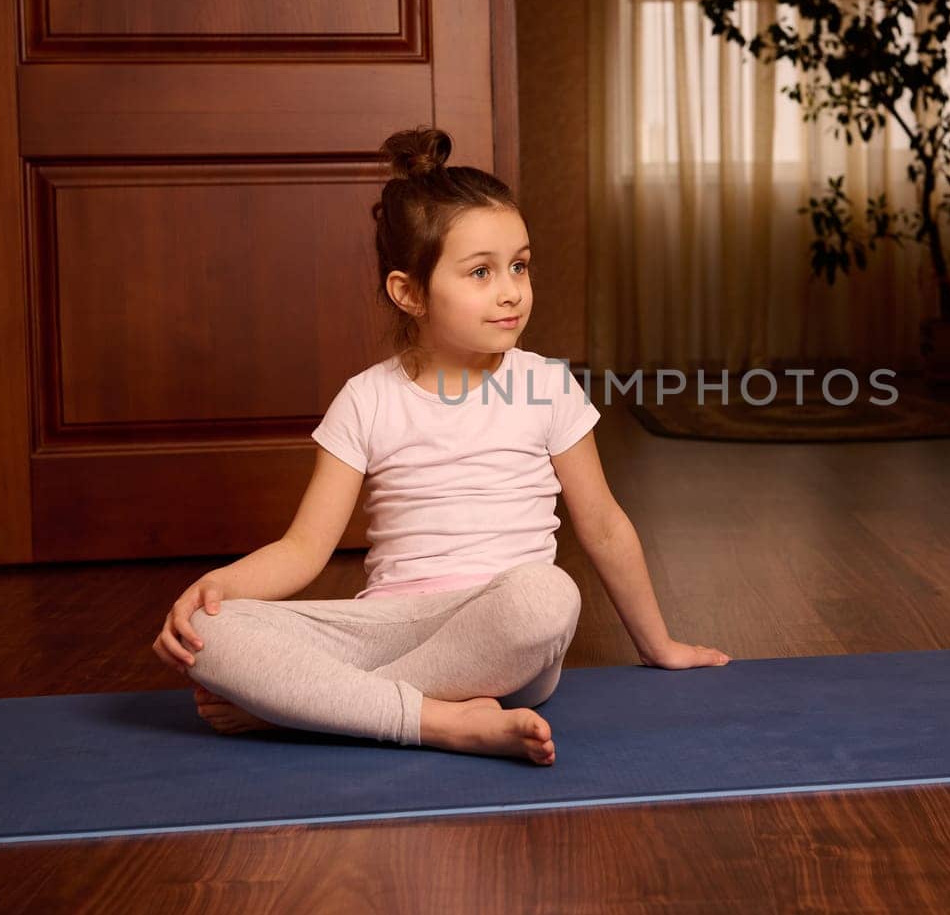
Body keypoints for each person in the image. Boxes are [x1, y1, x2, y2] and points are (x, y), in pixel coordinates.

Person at [150, 126, 731, 766]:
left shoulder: (546, 385)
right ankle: (440, 720)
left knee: (548, 596)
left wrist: (659, 645)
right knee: (211, 632)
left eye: (520, 265)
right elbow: (302, 549)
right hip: (392, 629)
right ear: (411, 293)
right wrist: (213, 588)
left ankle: (314, 708)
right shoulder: (366, 399)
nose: (511, 290)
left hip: (503, 636)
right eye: (481, 272)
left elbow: (603, 525)